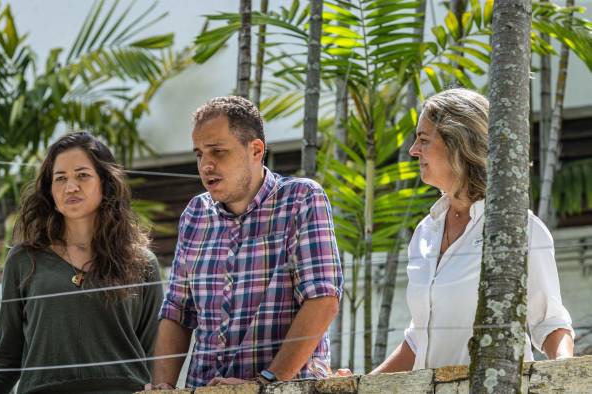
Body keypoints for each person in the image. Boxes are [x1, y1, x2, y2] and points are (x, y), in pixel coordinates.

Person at [372, 88, 575, 373]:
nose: (413, 150)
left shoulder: (517, 227)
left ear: (458, 143)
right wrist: (360, 386)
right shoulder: (424, 233)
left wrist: (566, 375)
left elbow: (550, 323)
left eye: (423, 139)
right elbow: (419, 340)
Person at [146, 96, 343, 389]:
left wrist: (264, 383)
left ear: (256, 150)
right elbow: (176, 311)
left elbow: (322, 300)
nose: (206, 165)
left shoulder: (301, 199)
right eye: (199, 154)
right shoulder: (195, 214)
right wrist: (162, 389)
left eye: (218, 152)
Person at [0, 132, 164, 393]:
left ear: (105, 182)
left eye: (82, 175)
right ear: (49, 190)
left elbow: (154, 359)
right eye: (60, 178)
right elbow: (7, 356)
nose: (70, 187)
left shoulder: (142, 262)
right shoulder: (23, 260)